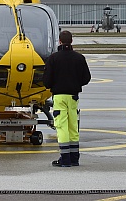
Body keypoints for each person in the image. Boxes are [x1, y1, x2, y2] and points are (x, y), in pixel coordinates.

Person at [44, 30, 91, 167]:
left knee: (61, 126)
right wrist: (75, 83)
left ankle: (65, 159)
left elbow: (46, 81)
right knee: (73, 127)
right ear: (71, 41)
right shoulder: (79, 58)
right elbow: (86, 78)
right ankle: (74, 158)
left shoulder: (53, 58)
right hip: (73, 96)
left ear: (59, 41)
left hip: (59, 96)